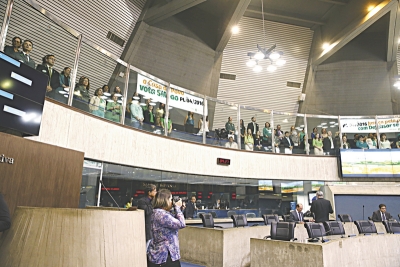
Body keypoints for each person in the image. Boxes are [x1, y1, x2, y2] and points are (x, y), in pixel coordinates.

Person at [147, 189, 185, 267]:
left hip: (158, 255)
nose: (172, 202)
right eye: (171, 199)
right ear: (166, 200)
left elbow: (173, 220)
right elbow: (181, 223)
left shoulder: (156, 212)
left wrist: (177, 209)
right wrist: (177, 207)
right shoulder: (162, 215)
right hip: (166, 257)